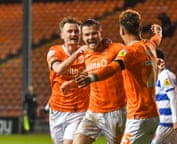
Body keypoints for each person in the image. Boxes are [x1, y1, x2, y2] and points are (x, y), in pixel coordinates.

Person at [75, 9, 162, 144]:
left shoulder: (127, 52)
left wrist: (92, 78)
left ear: (122, 31)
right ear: (139, 27)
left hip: (138, 114)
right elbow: (156, 40)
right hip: (151, 114)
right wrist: (159, 33)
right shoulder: (149, 45)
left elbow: (113, 67)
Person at [69, 19, 127, 144]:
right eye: (86, 34)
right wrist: (70, 83)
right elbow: (90, 71)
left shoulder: (116, 48)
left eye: (94, 33)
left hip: (115, 111)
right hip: (93, 111)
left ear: (101, 33)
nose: (91, 37)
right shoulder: (85, 54)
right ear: (82, 37)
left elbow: (116, 67)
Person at [46, 16, 89, 144]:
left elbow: (93, 71)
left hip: (79, 110)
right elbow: (59, 69)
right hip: (57, 109)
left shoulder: (87, 54)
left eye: (76, 31)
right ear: (62, 35)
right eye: (69, 31)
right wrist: (77, 54)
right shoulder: (54, 51)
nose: (74, 34)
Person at [152, 49, 177, 144]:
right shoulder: (159, 76)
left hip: (166, 121)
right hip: (166, 120)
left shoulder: (165, 76)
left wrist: (175, 120)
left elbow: (173, 97)